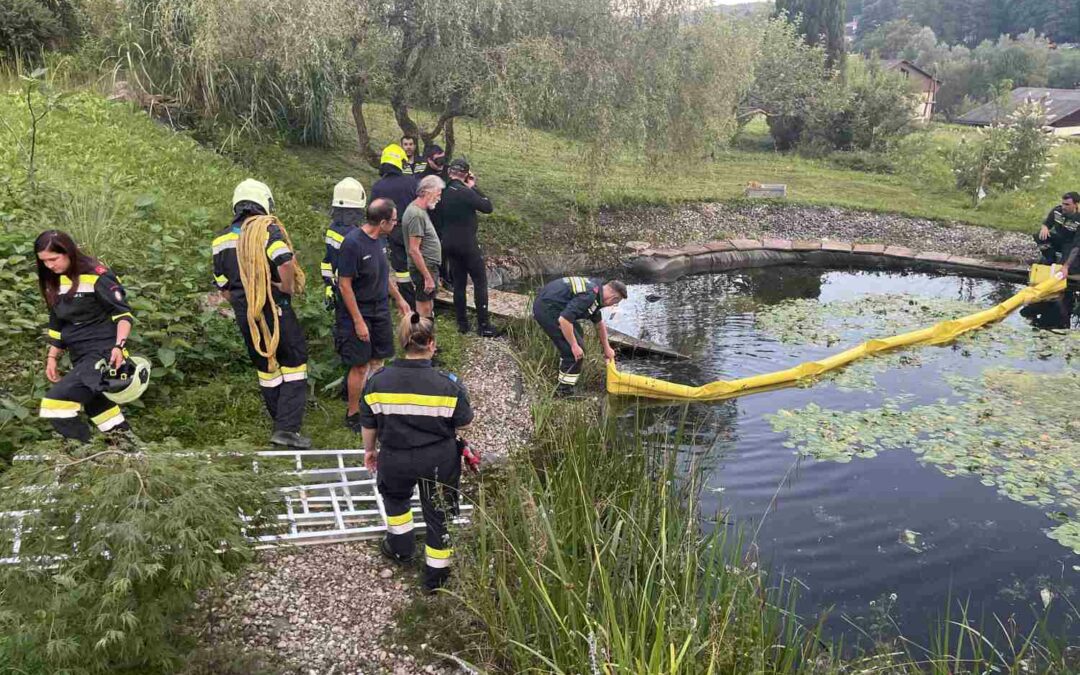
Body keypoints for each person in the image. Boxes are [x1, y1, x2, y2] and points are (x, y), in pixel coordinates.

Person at [360, 312, 473, 593]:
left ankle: (400, 549)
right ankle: (436, 578)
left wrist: (369, 451)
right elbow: (464, 422)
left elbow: (368, 422)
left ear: (402, 342)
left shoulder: (377, 381)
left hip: (394, 455)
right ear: (431, 344)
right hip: (437, 458)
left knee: (396, 501)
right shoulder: (448, 384)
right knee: (439, 512)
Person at [213, 179, 311, 449]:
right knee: (294, 363)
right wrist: (286, 287)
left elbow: (222, 284)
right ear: (263, 202)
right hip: (274, 306)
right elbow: (285, 260)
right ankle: (287, 429)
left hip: (247, 313)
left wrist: (243, 300)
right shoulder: (266, 229)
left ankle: (280, 423)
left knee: (266, 367)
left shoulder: (221, 239)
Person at [35, 230, 140, 447]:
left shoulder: (97, 274)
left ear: (69, 253)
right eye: (44, 261)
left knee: (55, 403)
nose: (50, 266)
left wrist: (119, 347)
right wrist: (52, 357)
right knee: (100, 409)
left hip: (103, 353)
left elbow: (123, 315)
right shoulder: (52, 279)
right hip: (79, 353)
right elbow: (56, 320)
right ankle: (132, 455)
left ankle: (89, 457)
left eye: (54, 259)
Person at [337, 198, 412, 431]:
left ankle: (372, 405)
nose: (396, 223)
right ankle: (353, 413)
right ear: (382, 222)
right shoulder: (352, 244)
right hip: (359, 311)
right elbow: (344, 285)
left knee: (378, 360)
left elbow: (383, 272)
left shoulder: (380, 240)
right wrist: (358, 321)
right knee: (360, 365)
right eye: (394, 220)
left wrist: (398, 298)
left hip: (380, 309)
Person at [532, 277, 627, 396]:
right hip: (547, 309)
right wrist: (574, 345)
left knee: (578, 335)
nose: (611, 305)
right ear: (613, 298)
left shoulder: (596, 290)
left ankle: (565, 369)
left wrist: (607, 348)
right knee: (575, 353)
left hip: (552, 303)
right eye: (615, 303)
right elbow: (564, 320)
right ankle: (563, 392)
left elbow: (599, 324)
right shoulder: (589, 295)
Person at [438, 157, 496, 336]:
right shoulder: (465, 191)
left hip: (448, 243)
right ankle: (483, 325)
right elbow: (487, 206)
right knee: (480, 282)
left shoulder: (443, 191)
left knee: (459, 284)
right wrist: (474, 187)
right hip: (467, 244)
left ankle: (462, 324)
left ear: (449, 172)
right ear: (465, 174)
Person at [370, 144, 418, 311]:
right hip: (409, 232)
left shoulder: (377, 186)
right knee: (414, 264)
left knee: (398, 269)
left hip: (383, 233)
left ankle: (403, 300)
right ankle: (420, 301)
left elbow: (371, 213)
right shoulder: (411, 183)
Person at [321, 177, 367, 311]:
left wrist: (329, 285)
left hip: (338, 287)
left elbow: (327, 261)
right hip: (354, 292)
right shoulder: (355, 236)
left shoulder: (332, 229)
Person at [403, 175, 445, 318]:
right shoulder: (416, 214)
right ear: (427, 192)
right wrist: (427, 277)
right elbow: (414, 249)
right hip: (423, 267)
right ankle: (421, 337)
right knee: (424, 307)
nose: (439, 199)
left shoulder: (421, 211)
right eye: (438, 194)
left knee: (428, 304)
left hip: (428, 265)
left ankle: (428, 335)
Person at [1035, 192, 1080, 266]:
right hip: (1060, 239)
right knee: (1039, 235)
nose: (1063, 207)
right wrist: (1045, 227)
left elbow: (1077, 245)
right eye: (1063, 203)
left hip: (1071, 244)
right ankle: (1050, 258)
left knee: (1065, 266)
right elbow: (1047, 223)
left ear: (1076, 205)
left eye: (1067, 205)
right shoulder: (1057, 211)